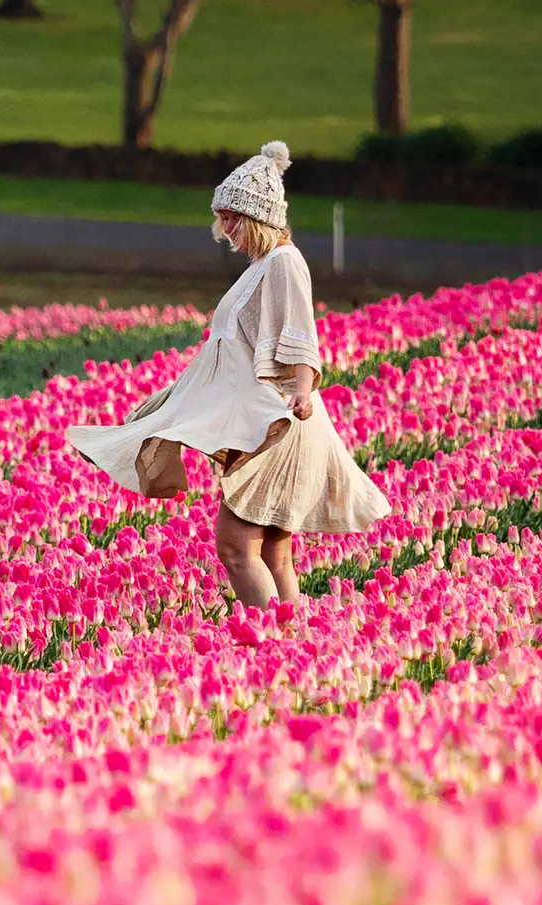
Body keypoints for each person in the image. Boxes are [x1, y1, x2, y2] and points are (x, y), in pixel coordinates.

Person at [67, 141, 389, 607]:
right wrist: (168, 404)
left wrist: (302, 389)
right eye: (221, 218)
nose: (224, 229)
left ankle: (271, 650)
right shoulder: (261, 267)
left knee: (236, 547)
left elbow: (301, 332)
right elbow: (226, 352)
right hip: (268, 419)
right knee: (274, 556)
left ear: (257, 217)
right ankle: (296, 648)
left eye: (232, 218)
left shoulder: (284, 262)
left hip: (281, 422)